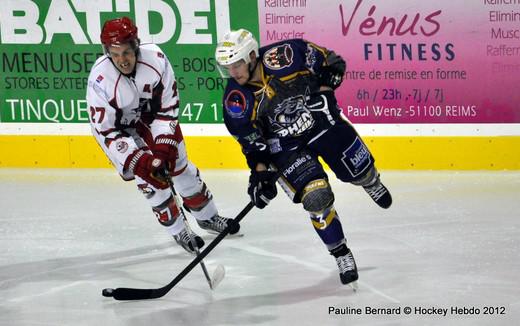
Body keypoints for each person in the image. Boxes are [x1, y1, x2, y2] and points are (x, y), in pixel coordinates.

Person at [214, 29, 392, 286]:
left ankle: (370, 181)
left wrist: (327, 89)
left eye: (237, 64)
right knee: (316, 198)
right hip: (285, 146)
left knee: (360, 170)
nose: (233, 73)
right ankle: (341, 252)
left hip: (320, 122)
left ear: (252, 55)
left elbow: (331, 62)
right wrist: (261, 175)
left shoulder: (286, 55)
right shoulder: (236, 101)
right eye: (227, 67)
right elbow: (253, 146)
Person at [86, 17, 239, 254]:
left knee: (181, 169)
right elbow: (105, 130)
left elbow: (167, 107)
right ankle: (179, 230)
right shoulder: (100, 80)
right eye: (115, 54)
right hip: (122, 133)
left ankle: (207, 217)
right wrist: (140, 161)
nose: (122, 60)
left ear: (136, 45)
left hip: (153, 119)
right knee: (151, 182)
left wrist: (162, 147)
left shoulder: (156, 59)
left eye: (126, 52)